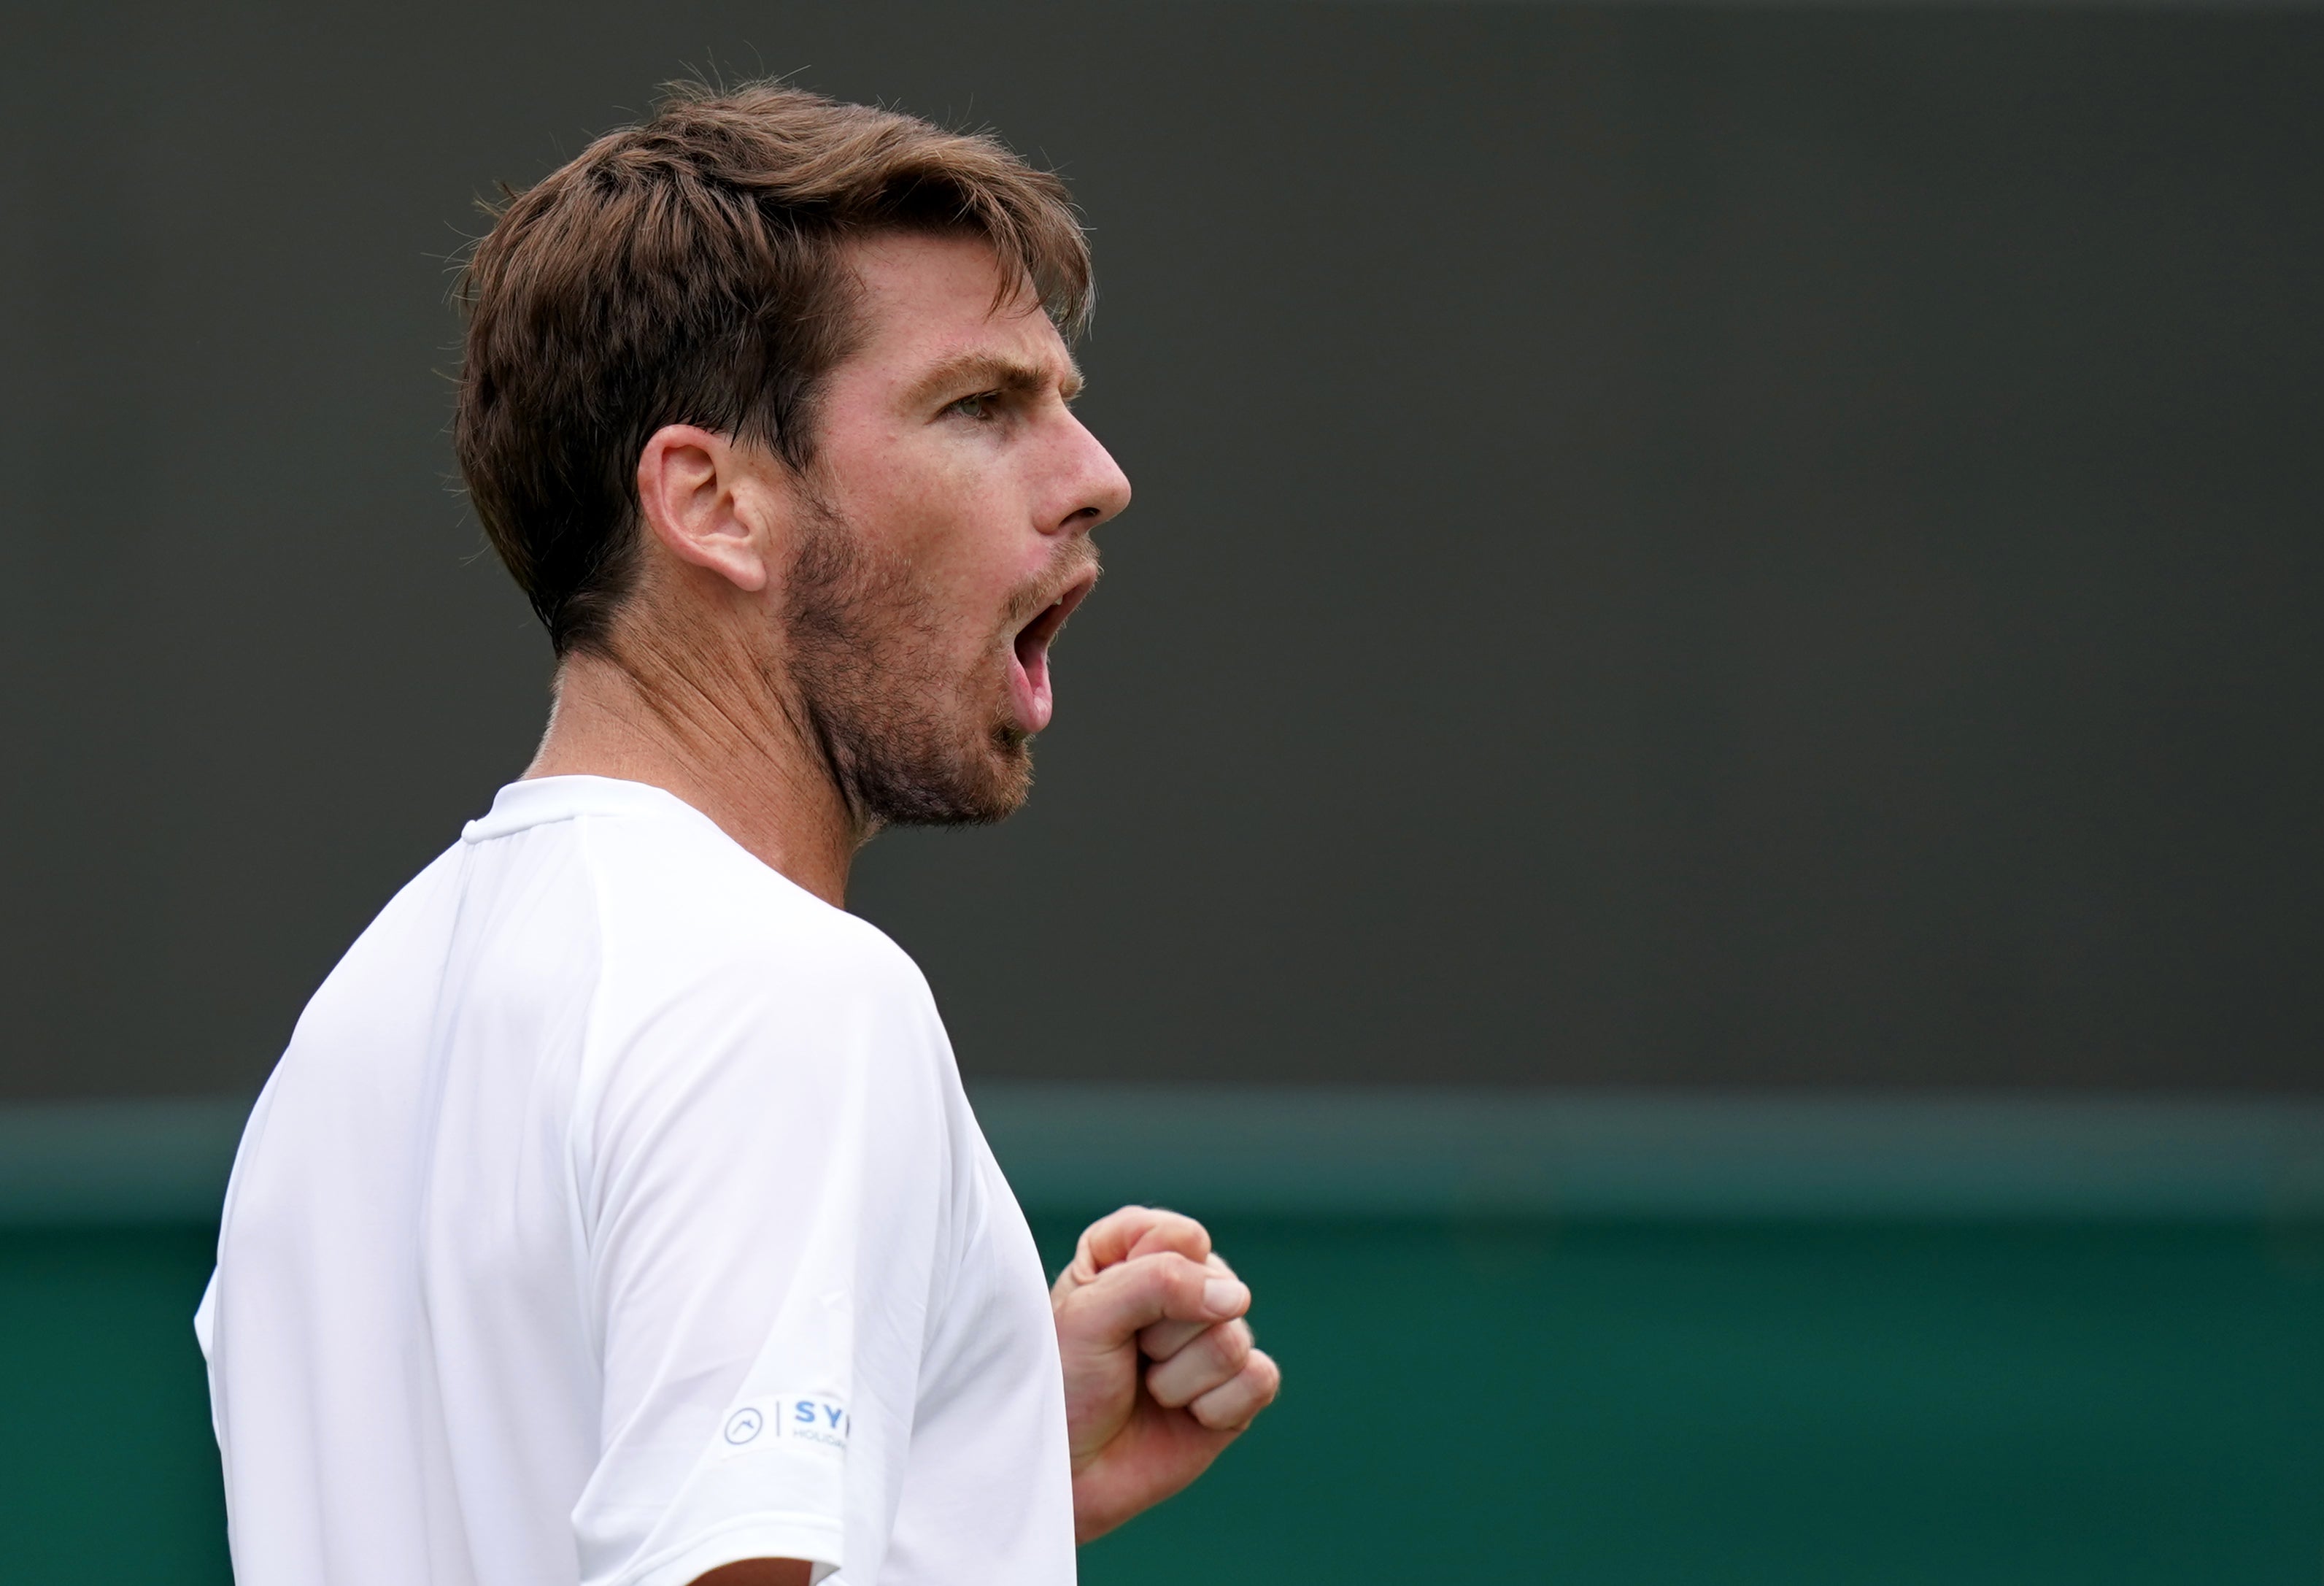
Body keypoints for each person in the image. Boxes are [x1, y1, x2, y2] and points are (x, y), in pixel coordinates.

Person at [196, 80, 1278, 1586]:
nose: (1096, 476)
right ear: (711, 503)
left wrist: (967, 1466)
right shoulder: (783, 996)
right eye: (980, 406)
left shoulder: (350, 1033)